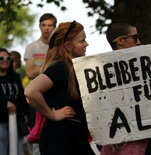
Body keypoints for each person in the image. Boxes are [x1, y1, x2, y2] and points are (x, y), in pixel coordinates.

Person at [24, 21, 94, 155]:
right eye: (82, 41)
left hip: (76, 140)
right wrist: (52, 115)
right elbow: (31, 91)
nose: (86, 44)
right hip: (61, 142)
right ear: (68, 46)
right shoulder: (59, 68)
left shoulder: (72, 68)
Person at [101, 21, 151, 155]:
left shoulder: (147, 67)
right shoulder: (103, 72)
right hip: (122, 145)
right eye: (135, 38)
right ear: (120, 41)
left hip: (149, 142)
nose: (139, 42)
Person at [23, 13, 57, 155]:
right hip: (37, 96)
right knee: (37, 132)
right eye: (44, 25)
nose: (47, 28)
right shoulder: (32, 47)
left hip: (55, 95)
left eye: (50, 25)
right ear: (39, 26)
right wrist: (50, 67)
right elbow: (30, 73)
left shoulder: (57, 47)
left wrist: (41, 69)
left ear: (54, 26)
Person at [0, 48, 29, 155]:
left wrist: (26, 113)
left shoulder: (15, 77)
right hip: (1, 122)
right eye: (1, 58)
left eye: (8, 58)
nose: (5, 60)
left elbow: (21, 97)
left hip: (17, 122)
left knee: (17, 152)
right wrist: (4, 103)